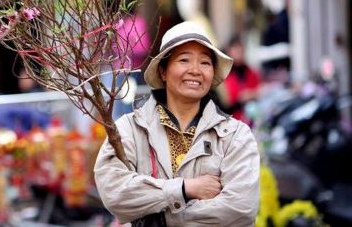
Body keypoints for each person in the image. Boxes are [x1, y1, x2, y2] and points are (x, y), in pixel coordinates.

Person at [94, 22, 260, 226]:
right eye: (184, 60)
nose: (195, 70)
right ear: (163, 71)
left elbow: (241, 209)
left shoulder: (235, 135)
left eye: (205, 63)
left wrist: (157, 219)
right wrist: (184, 189)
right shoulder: (130, 129)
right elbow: (115, 193)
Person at [223, 35, 261, 124]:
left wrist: (252, 94)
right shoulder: (225, 74)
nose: (238, 51)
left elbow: (259, 91)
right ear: (229, 51)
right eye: (235, 48)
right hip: (232, 120)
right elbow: (227, 100)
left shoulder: (251, 72)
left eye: (240, 48)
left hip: (252, 120)